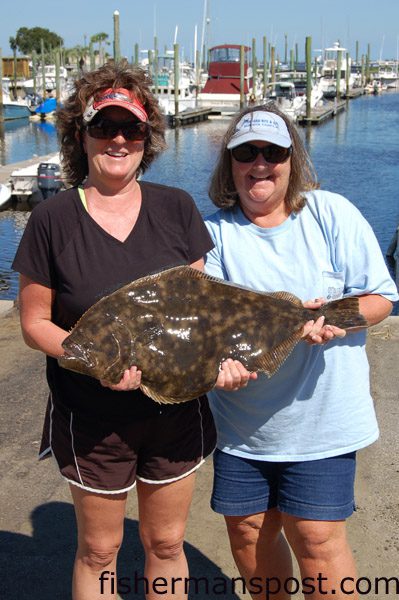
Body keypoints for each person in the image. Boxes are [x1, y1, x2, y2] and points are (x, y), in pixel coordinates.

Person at [12, 62, 218, 600]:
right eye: (104, 127)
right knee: (99, 550)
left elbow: (198, 315)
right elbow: (34, 322)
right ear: (81, 136)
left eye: (132, 128)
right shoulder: (51, 219)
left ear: (147, 138)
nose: (118, 140)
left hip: (175, 411)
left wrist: (228, 361)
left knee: (167, 544)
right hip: (91, 414)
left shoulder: (177, 208)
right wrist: (95, 364)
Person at [204, 104, 399, 600]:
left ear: (294, 160)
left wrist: (336, 318)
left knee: (316, 536)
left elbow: (381, 295)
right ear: (230, 163)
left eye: (274, 152)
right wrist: (214, 366)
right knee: (247, 529)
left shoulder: (332, 213)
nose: (260, 163)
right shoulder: (213, 235)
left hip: (323, 420)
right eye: (247, 152)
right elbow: (204, 324)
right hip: (242, 424)